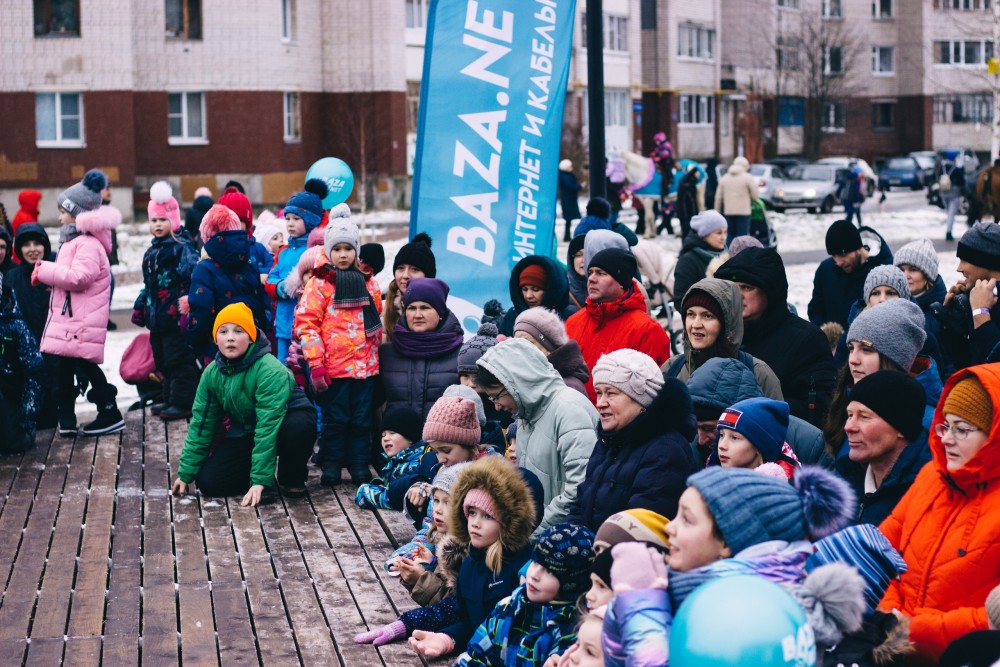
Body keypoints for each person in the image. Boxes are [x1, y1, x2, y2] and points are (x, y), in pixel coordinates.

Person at [879, 366, 1000, 662]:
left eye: (962, 429)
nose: (946, 439)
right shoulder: (931, 476)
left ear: (994, 435)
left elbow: (994, 618)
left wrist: (912, 630)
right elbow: (880, 552)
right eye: (945, 425)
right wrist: (888, 618)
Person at [171, 303, 316, 503]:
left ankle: (290, 477)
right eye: (223, 331)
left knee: (298, 426)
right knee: (209, 483)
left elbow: (267, 426)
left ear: (250, 338)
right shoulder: (212, 373)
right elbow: (202, 425)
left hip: (285, 420)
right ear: (216, 339)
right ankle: (257, 478)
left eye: (238, 331)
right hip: (248, 426)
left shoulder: (269, 369)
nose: (230, 337)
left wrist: (260, 481)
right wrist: (186, 473)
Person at [408, 457, 536, 659]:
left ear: (509, 522)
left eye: (488, 516)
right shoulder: (469, 563)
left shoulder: (522, 567)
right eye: (472, 513)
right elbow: (469, 622)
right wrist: (448, 639)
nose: (475, 523)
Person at [475, 338, 598, 535]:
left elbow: (579, 488)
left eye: (497, 396)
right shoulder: (525, 417)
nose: (497, 406)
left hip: (564, 542)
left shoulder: (568, 409)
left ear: (515, 382)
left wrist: (533, 533)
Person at [293, 218, 382, 486]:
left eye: (348, 249)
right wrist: (316, 364)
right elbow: (307, 325)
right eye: (337, 249)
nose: (343, 255)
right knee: (335, 419)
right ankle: (331, 463)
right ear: (328, 251)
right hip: (335, 368)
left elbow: (375, 319)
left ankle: (357, 463)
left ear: (356, 250)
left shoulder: (369, 283)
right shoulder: (319, 285)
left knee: (360, 419)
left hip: (365, 367)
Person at [565, 349, 695, 530]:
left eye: (611, 393)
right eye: (599, 392)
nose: (600, 402)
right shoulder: (608, 442)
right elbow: (580, 506)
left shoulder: (665, 452)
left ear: (641, 400)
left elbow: (640, 528)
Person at [34, 175, 124, 436]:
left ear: (78, 215)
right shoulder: (74, 241)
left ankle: (109, 411)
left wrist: (44, 270)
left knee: (82, 364)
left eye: (64, 212)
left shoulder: (87, 244)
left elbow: (78, 278)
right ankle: (67, 418)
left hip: (81, 320)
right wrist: (50, 280)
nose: (60, 217)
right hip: (72, 318)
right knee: (64, 366)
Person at [715, 246, 836, 427]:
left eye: (747, 287)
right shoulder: (718, 334)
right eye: (732, 287)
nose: (737, 295)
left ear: (770, 291)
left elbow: (820, 408)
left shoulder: (807, 340)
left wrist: (755, 407)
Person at [454, 523, 595, 666]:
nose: (534, 575)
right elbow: (476, 653)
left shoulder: (572, 632)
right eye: (534, 562)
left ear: (572, 582)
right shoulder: (508, 607)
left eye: (549, 571)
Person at [825, 298, 941, 464]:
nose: (853, 360)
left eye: (866, 349)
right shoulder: (845, 400)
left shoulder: (927, 424)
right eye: (851, 348)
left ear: (895, 358)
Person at [131, 181, 200, 421]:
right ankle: (169, 398)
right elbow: (150, 283)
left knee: (178, 359)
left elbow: (191, 278)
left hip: (174, 316)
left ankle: (184, 401)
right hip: (157, 317)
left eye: (163, 220)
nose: (158, 225)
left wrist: (184, 307)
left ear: (174, 220)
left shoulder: (181, 247)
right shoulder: (153, 250)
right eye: (154, 220)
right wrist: (142, 305)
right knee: (162, 360)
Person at [686, 357, 832, 470]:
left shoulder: (809, 444)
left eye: (710, 429)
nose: (700, 440)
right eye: (721, 435)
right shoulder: (692, 448)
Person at [565, 248, 671, 402]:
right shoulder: (573, 322)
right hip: (573, 417)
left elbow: (651, 394)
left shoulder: (648, 331)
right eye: (591, 272)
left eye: (601, 273)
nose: (591, 279)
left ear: (621, 283)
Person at [835, 370, 929, 527]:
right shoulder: (846, 477)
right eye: (850, 415)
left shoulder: (925, 492)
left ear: (901, 428)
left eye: (864, 417)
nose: (848, 427)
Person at [665, 278, 784, 400]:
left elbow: (775, 418)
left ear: (727, 324)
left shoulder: (759, 374)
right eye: (691, 314)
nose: (696, 324)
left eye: (707, 316)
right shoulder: (672, 368)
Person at [187, 205, 270, 359]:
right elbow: (261, 301)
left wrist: (194, 342)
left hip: (218, 347)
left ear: (206, 236)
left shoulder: (203, 269)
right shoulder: (249, 263)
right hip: (252, 343)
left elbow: (201, 309)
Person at [380, 277, 463, 418]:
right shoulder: (386, 353)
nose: (417, 315)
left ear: (440, 312)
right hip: (397, 438)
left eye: (425, 307)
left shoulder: (461, 354)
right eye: (411, 308)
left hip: (442, 439)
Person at [266, 180, 328, 363]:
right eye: (287, 219)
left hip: (311, 327)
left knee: (309, 365)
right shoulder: (283, 252)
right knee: (283, 366)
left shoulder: (317, 250)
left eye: (296, 219)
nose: (290, 224)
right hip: (285, 323)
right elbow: (271, 278)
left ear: (310, 221)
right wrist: (280, 288)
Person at [5, 223, 55, 428]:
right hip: (23, 358)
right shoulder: (12, 278)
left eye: (37, 243)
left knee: (54, 417)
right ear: (18, 250)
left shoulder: (55, 273)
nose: (32, 249)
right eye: (26, 245)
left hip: (54, 354)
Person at [936, 222, 1000, 369]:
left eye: (965, 260)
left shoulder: (981, 305)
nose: (959, 268)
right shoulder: (974, 298)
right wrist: (949, 317)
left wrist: (981, 314)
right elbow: (966, 365)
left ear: (985, 261)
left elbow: (993, 367)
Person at [808, 219, 893, 329]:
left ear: (858, 248)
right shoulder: (825, 270)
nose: (838, 262)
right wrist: (827, 335)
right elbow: (816, 310)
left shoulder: (884, 270)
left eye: (843, 255)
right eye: (834, 256)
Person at [355, 406, 437, 511]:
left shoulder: (414, 464)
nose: (386, 438)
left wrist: (364, 491)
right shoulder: (397, 461)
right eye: (383, 435)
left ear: (410, 438)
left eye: (392, 433)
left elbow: (395, 497)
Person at [0, 274, 44, 454]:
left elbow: (34, 371)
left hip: (10, 397)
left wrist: (27, 417)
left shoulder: (14, 325)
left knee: (14, 443)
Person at [711, 397, 800, 479]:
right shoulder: (709, 481)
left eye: (734, 438)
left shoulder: (784, 491)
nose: (722, 445)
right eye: (721, 435)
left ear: (759, 446)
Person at [512, 308, 589, 396]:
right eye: (516, 344)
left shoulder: (567, 387)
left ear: (548, 348)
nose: (520, 350)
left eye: (528, 343)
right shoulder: (525, 379)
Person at [497, 255, 577, 336]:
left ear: (550, 291)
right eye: (524, 289)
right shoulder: (512, 315)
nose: (528, 296)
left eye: (535, 290)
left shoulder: (569, 318)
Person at [672, 210, 727, 314]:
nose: (723, 237)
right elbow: (681, 300)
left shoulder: (725, 255)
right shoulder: (688, 261)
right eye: (719, 233)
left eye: (725, 232)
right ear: (704, 234)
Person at [383, 233, 436, 342]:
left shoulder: (440, 312)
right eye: (400, 268)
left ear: (428, 276)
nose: (405, 275)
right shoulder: (380, 309)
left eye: (415, 269)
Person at [895, 238, 947, 342]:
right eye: (901, 269)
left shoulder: (942, 309)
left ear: (928, 276)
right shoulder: (888, 301)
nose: (905, 276)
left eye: (913, 270)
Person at [714, 156, 759, 245]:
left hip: (728, 212)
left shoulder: (724, 178)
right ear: (744, 166)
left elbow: (718, 197)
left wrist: (717, 212)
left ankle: (730, 255)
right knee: (742, 236)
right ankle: (741, 255)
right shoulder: (748, 177)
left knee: (730, 234)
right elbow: (755, 196)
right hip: (744, 212)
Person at [674, 164, 701, 240]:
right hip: (687, 214)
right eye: (696, 172)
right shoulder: (688, 184)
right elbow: (690, 202)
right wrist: (694, 214)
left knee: (687, 234)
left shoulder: (687, 182)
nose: (698, 174)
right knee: (688, 234)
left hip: (685, 214)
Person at [941, 157, 966, 241]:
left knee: (948, 212)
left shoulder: (942, 168)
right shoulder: (956, 169)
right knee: (951, 214)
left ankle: (948, 228)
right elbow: (962, 182)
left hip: (943, 193)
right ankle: (948, 233)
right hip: (954, 194)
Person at [559, 159, 582, 242]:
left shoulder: (565, 175)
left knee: (569, 219)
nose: (572, 168)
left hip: (568, 199)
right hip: (568, 200)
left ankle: (567, 235)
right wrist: (579, 186)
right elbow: (571, 187)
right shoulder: (566, 176)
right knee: (569, 219)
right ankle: (567, 236)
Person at [565, 235, 587, 310]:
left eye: (588, 255)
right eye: (578, 255)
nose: (583, 260)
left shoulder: (606, 291)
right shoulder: (562, 291)